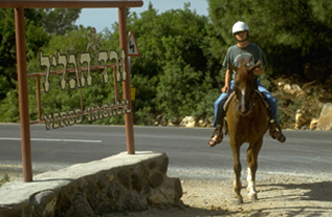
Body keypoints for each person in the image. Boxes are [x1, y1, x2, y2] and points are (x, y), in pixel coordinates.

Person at [208, 21, 286, 147]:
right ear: (234, 36)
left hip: (252, 82)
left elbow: (261, 70)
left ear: (247, 33)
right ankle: (217, 130)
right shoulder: (231, 50)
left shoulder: (255, 50)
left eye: (242, 32)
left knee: (272, 100)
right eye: (237, 33)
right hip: (236, 83)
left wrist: (251, 71)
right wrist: (226, 84)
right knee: (218, 103)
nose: (240, 35)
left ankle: (273, 127)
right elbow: (228, 70)